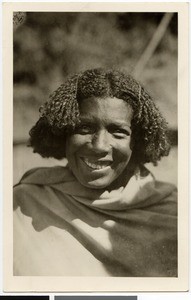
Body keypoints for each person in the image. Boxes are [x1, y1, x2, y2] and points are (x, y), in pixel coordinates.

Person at [13, 68, 177, 277]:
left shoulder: (173, 213)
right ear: (64, 132)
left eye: (118, 132)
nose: (99, 146)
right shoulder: (21, 205)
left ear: (136, 141)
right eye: (84, 128)